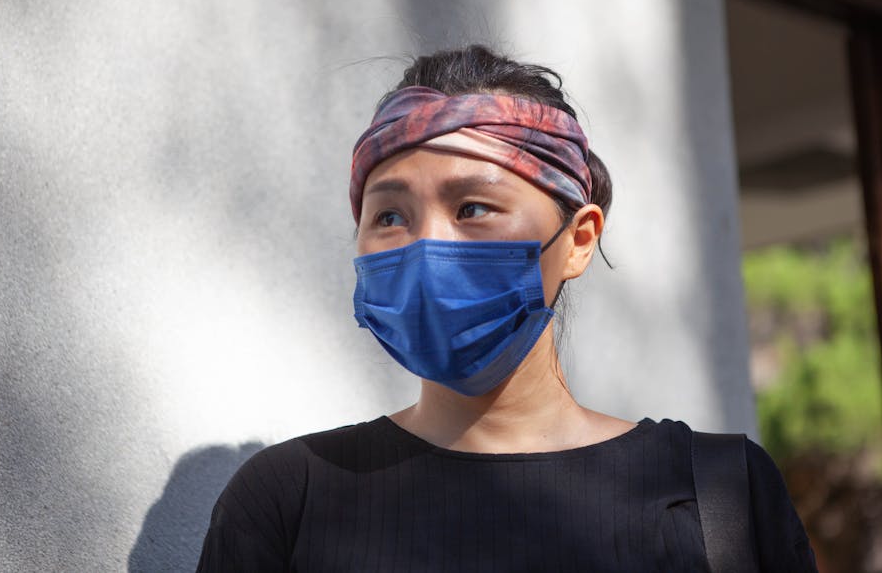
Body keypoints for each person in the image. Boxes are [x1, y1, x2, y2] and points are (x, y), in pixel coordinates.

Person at [195, 45, 817, 572]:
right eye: (389, 215)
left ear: (577, 241)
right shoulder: (285, 500)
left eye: (472, 208)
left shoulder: (721, 493)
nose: (426, 246)